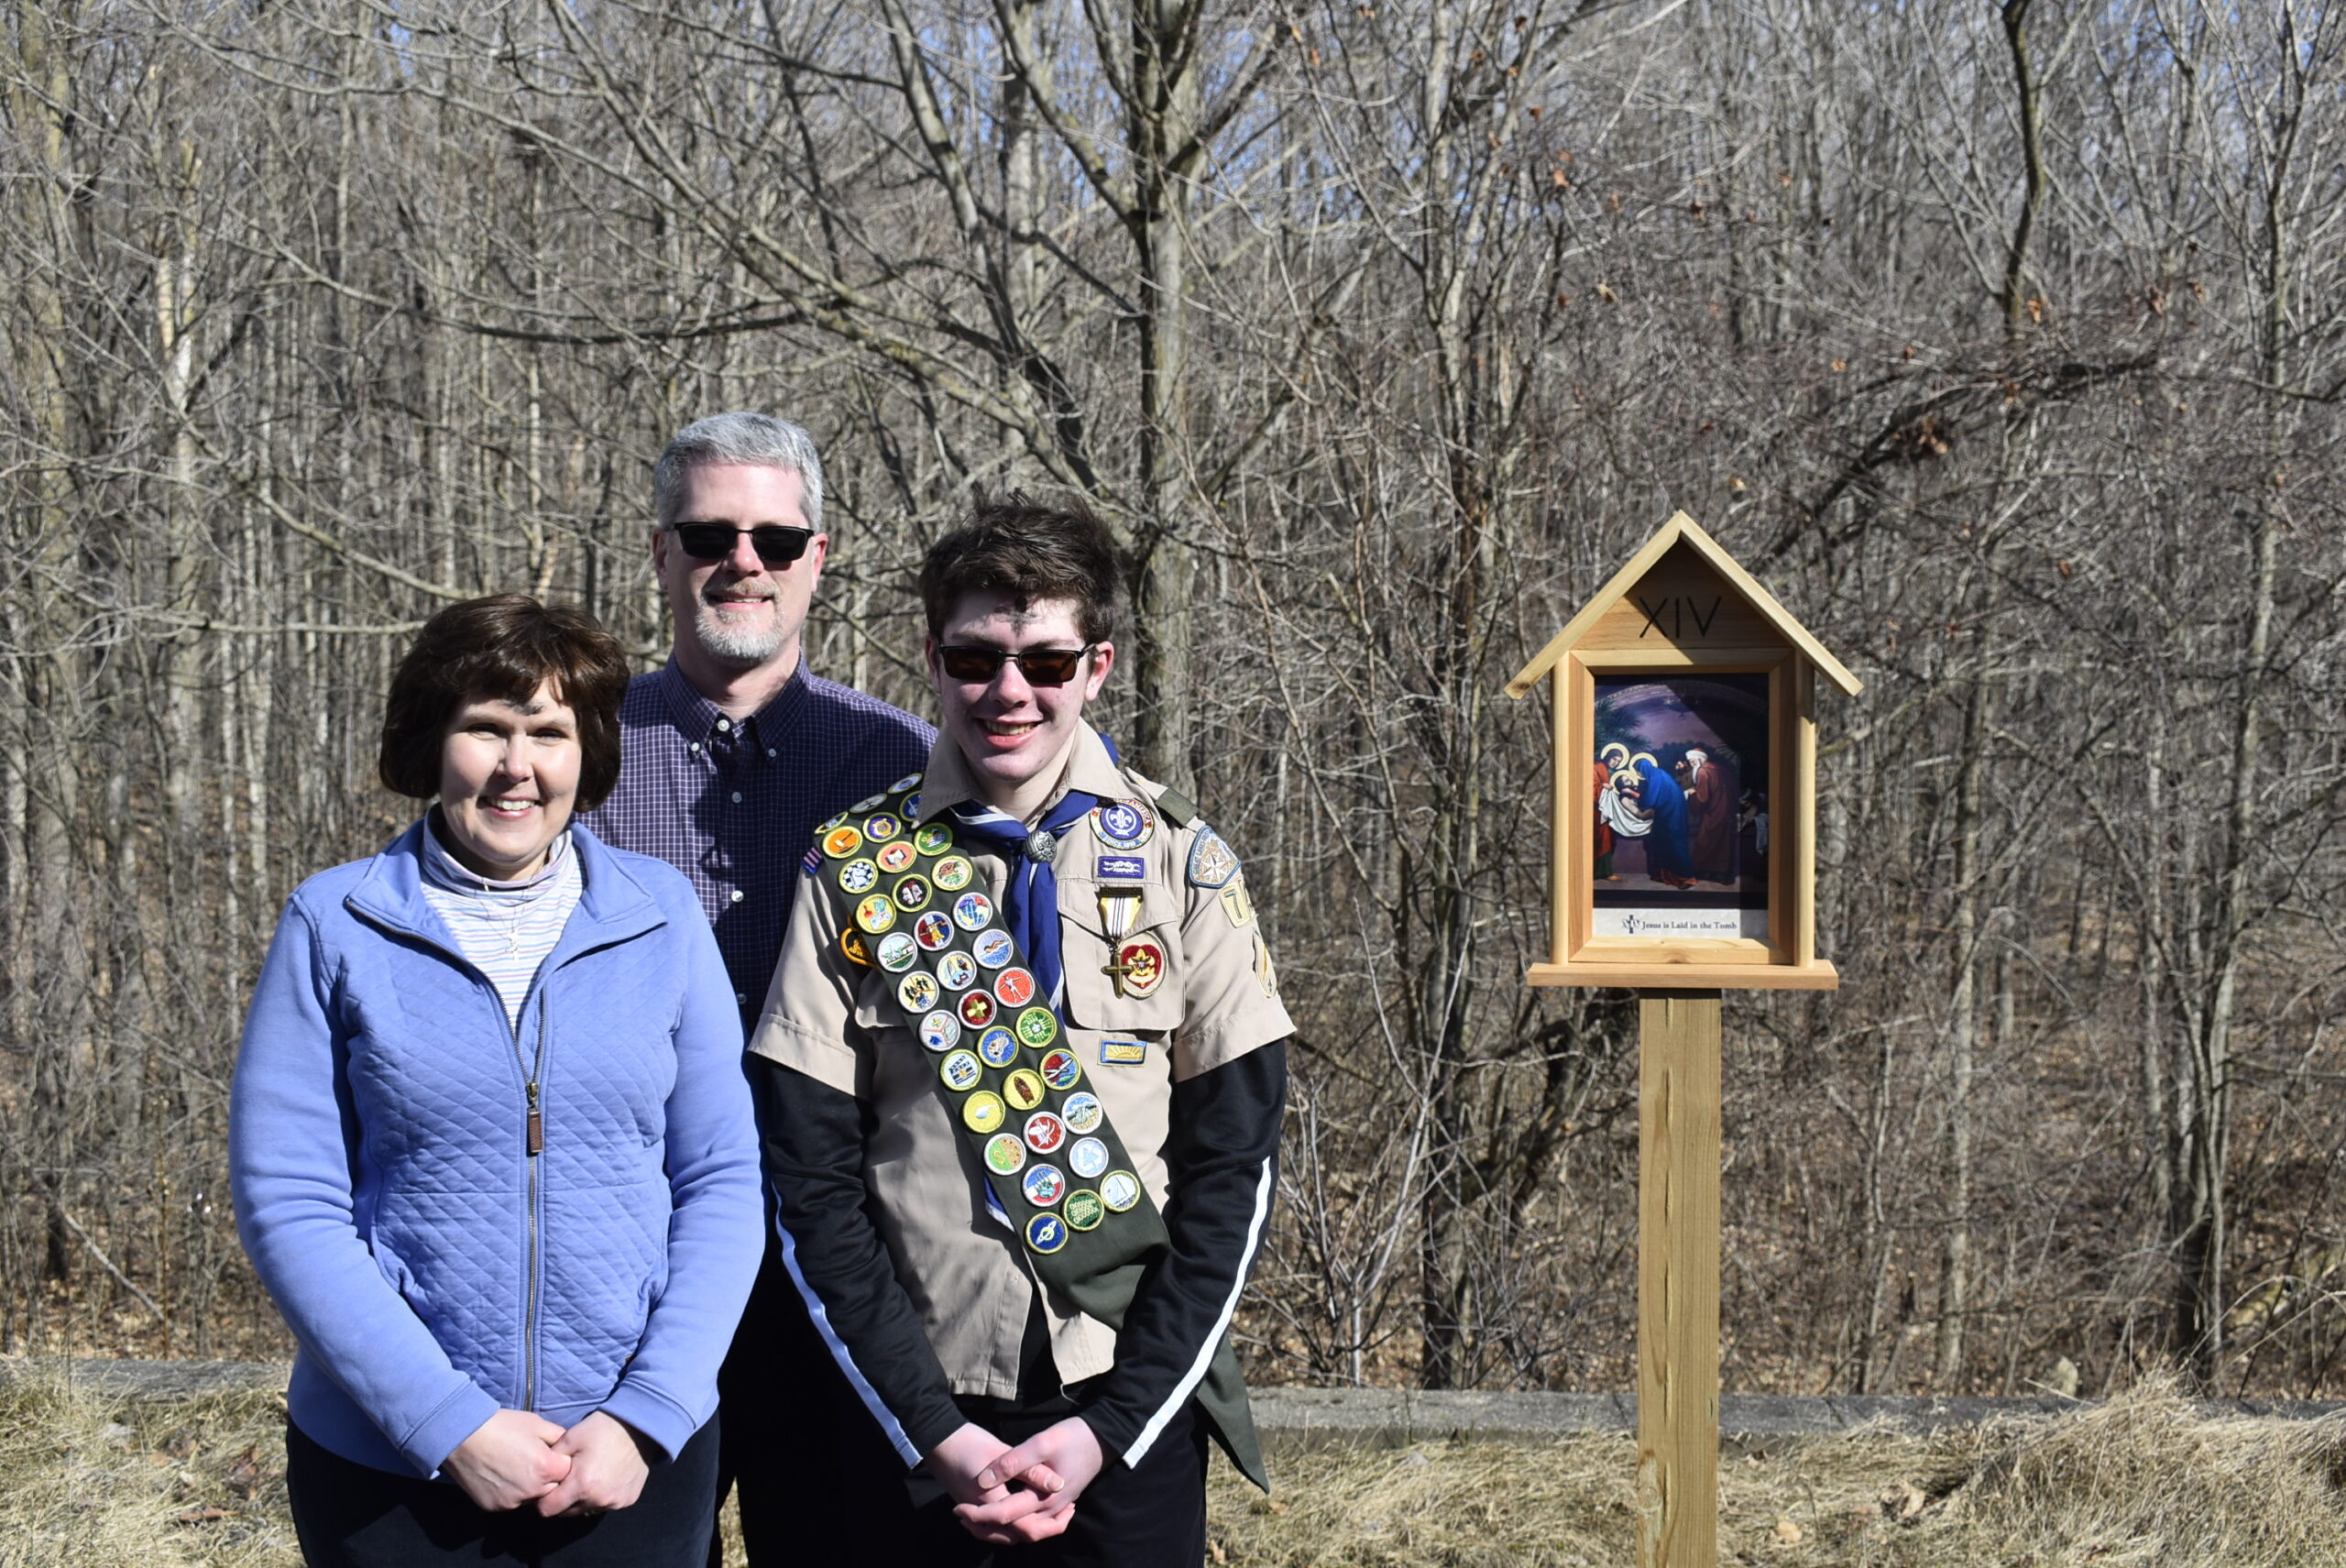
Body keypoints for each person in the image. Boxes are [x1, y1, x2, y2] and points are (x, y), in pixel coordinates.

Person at [751, 492, 1291, 1564]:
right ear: (932, 658)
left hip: (1119, 1419)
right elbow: (808, 1178)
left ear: (1096, 665)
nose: (1008, 691)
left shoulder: (1186, 867)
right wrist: (932, 1431)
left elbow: (1234, 1174)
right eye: (975, 658)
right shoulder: (856, 869)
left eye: (1045, 662)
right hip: (915, 1419)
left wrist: (1110, 1429)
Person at [231, 596, 762, 1568]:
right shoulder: (333, 925)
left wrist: (646, 1413)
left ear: (587, 752)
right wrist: (445, 1421)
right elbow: (290, 1201)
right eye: (486, 728)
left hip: (624, 1466)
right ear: (434, 740)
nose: (518, 766)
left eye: (550, 733)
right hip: (392, 1469)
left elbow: (722, 1180)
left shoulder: (663, 919)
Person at [577, 411, 933, 1562]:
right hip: (628, 1259)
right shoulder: (571, 756)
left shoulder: (908, 768)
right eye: (711, 534)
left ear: (817, 558)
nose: (744, 561)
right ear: (661, 551)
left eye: (777, 540)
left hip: (846, 1261)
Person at [1682, 747, 1739, 885]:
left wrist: (1691, 794)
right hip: (1727, 812)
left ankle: (1702, 871)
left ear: (1700, 759)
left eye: (1693, 761)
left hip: (1713, 813)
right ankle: (1722, 874)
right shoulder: (1720, 768)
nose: (1691, 764)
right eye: (1690, 762)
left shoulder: (1703, 771)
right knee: (1723, 843)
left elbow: (1703, 798)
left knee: (1705, 841)